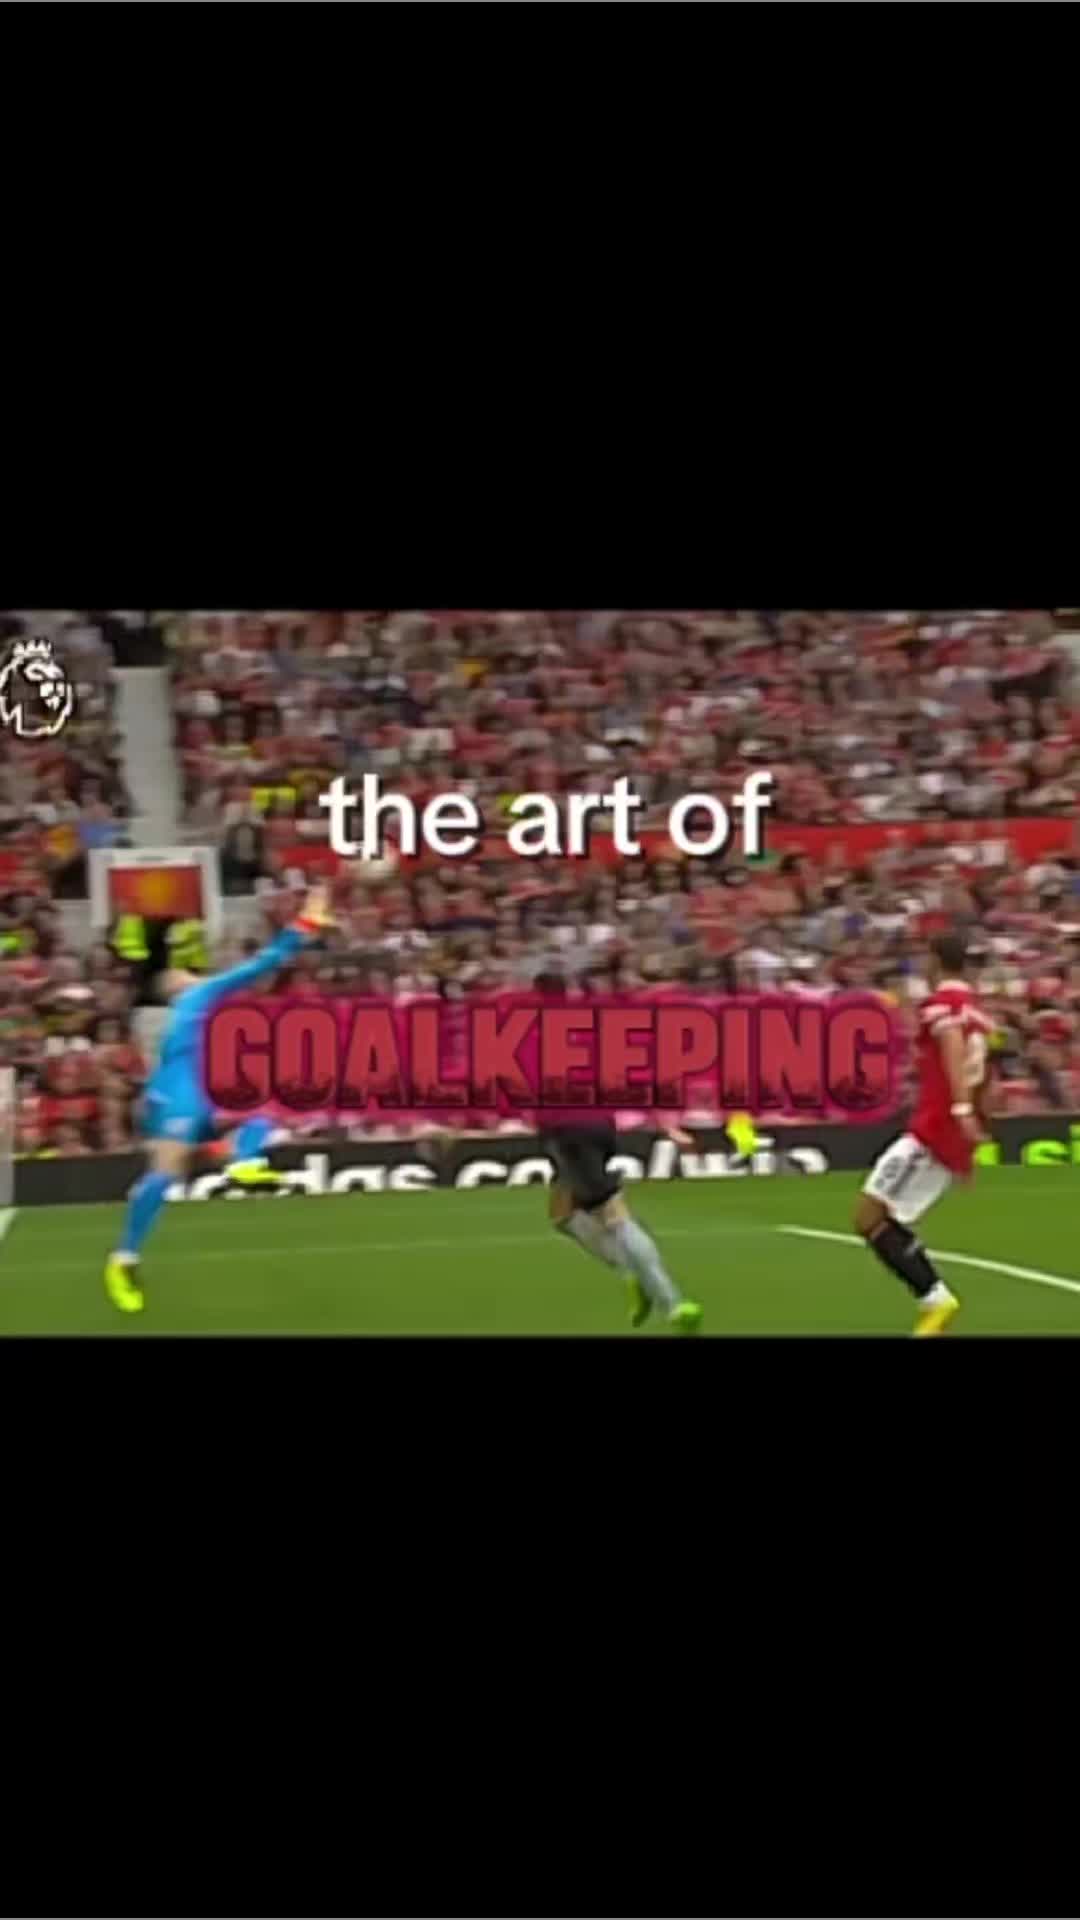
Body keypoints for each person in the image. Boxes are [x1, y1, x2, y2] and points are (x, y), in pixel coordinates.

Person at [103, 885, 334, 1314]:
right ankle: (240, 1162)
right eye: (184, 973)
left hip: (181, 1094)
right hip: (183, 1092)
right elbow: (265, 962)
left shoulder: (199, 1010)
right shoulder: (201, 995)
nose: (192, 974)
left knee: (248, 1116)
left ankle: (129, 1254)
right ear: (175, 985)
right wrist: (305, 922)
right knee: (172, 1167)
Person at [854, 931, 994, 1337]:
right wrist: (974, 1124)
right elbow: (986, 1074)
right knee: (879, 1217)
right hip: (946, 1130)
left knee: (869, 1216)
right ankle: (933, 1298)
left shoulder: (941, 1006)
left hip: (934, 1130)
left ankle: (935, 1298)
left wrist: (961, 1111)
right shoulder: (976, 1011)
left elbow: (951, 1045)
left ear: (934, 960)